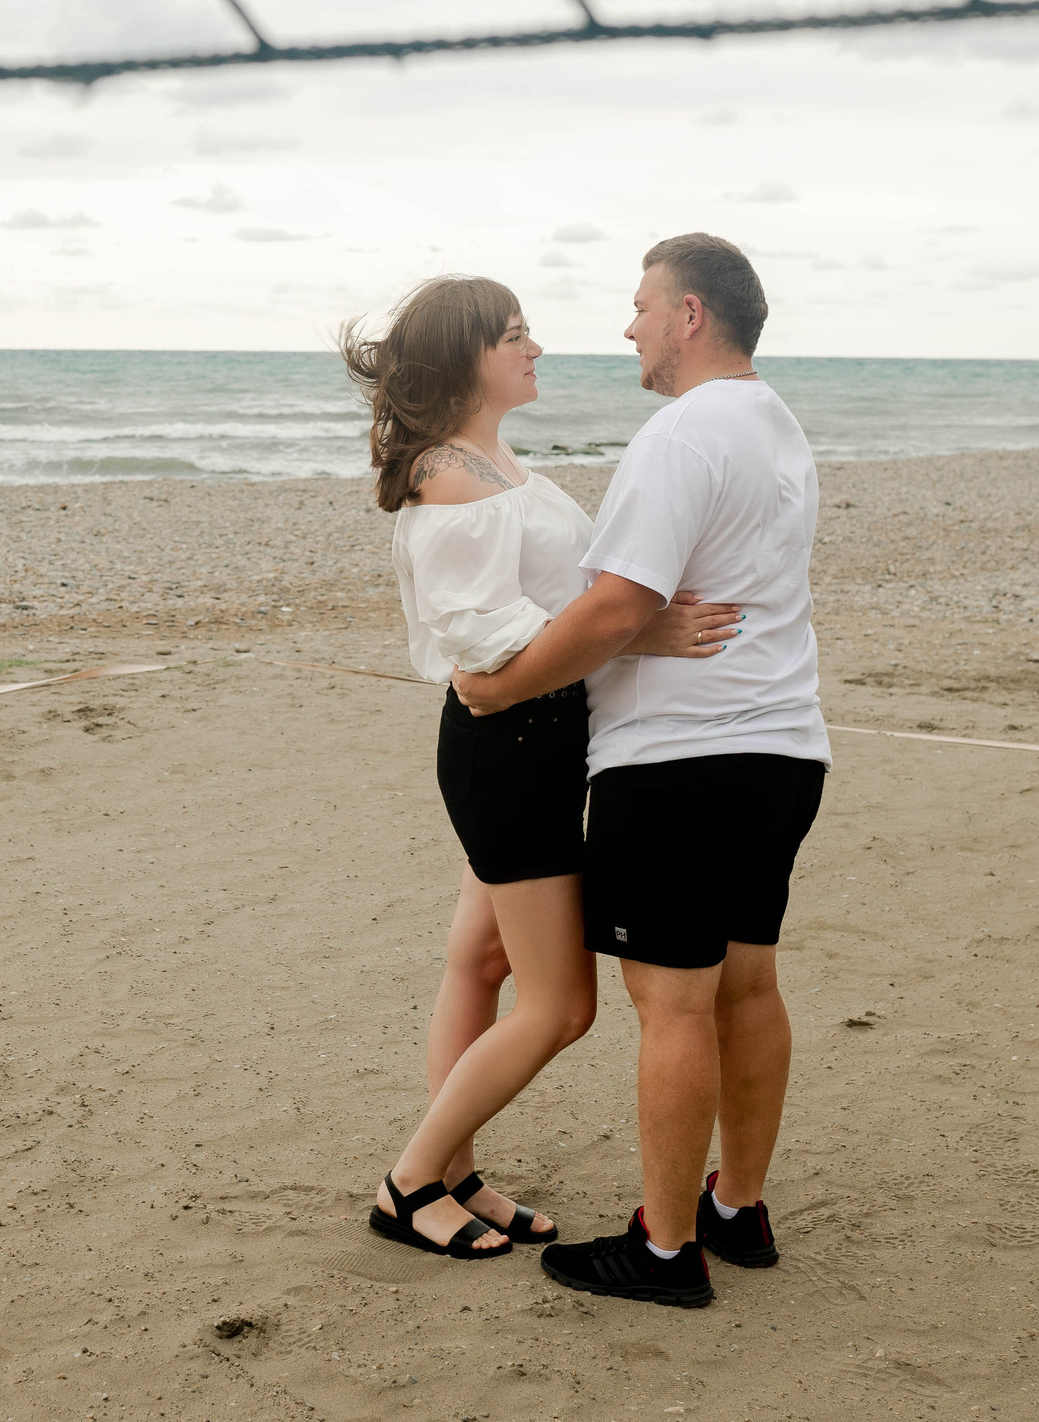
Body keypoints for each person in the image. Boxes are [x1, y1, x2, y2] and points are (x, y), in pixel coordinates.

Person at [452, 234, 827, 1308]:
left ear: (690, 316)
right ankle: (734, 1206)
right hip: (781, 749)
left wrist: (507, 683)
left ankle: (664, 1252)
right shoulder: (775, 426)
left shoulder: (681, 433)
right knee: (747, 983)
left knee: (672, 1006)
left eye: (640, 307)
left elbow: (618, 605)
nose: (627, 329)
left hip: (677, 760)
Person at [339, 274, 739, 1260]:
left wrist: (639, 611)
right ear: (467, 356)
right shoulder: (452, 482)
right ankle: (409, 1183)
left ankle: (456, 1172)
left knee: (478, 964)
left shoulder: (487, 460)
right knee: (562, 1006)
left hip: (538, 740)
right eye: (515, 335)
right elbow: (492, 650)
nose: (537, 347)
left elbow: (551, 607)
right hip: (508, 748)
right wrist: (646, 635)